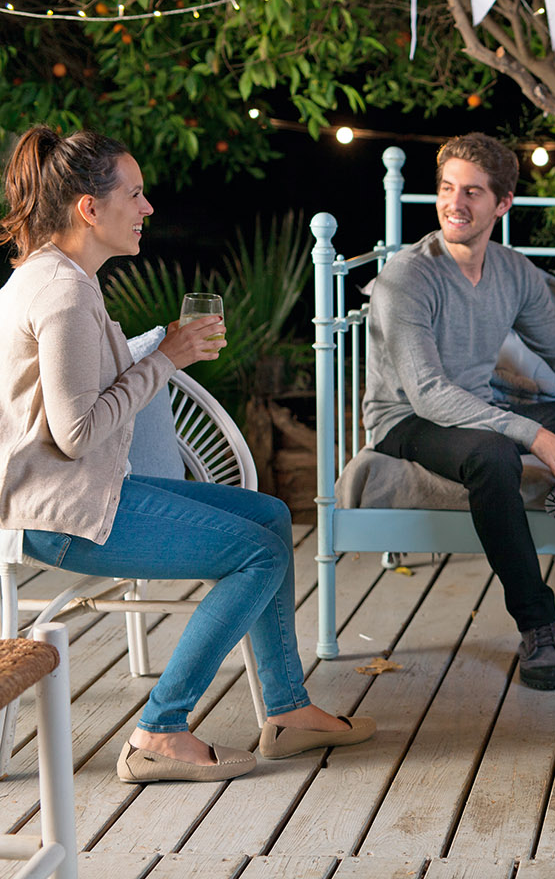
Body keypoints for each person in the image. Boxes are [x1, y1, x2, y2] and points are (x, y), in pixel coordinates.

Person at [0, 126, 375, 783]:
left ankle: (287, 711)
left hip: (86, 492)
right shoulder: (61, 292)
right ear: (90, 207)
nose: (147, 208)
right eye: (135, 194)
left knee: (269, 515)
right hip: (61, 513)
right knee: (258, 554)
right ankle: (159, 730)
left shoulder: (64, 277)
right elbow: (76, 433)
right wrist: (165, 360)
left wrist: (165, 353)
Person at [362, 133, 555, 692]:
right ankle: (538, 625)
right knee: (494, 455)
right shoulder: (407, 277)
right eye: (447, 188)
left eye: (472, 192)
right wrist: (534, 435)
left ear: (502, 203)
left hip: (477, 408)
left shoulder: (514, 272)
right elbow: (427, 393)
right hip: (406, 419)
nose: (454, 203)